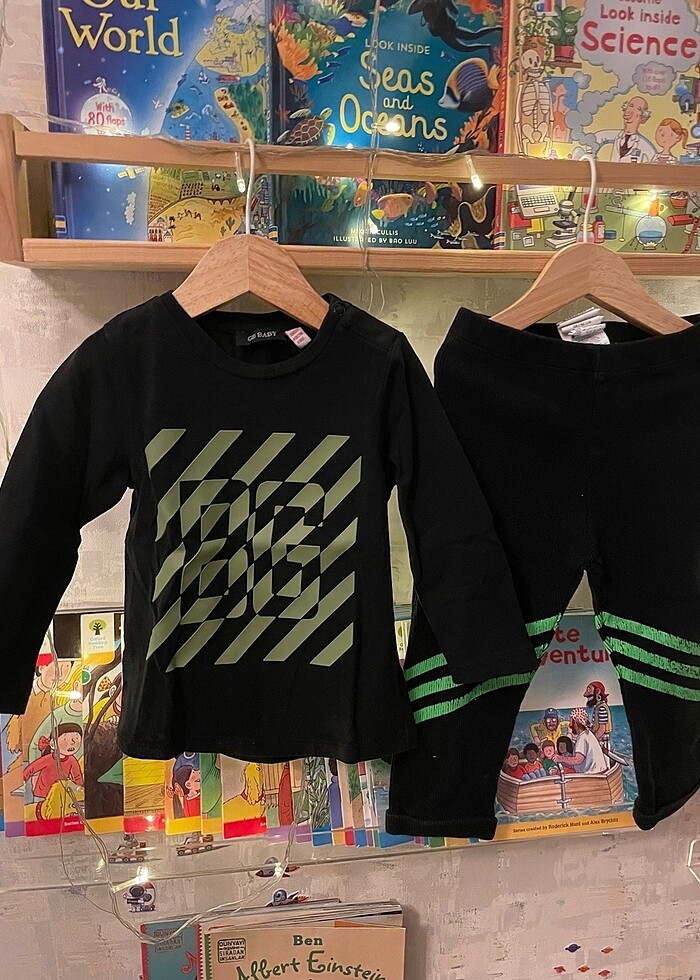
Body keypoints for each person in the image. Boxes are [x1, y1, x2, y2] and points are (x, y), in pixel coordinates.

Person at [594, 96, 655, 162]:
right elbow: (596, 138)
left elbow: (654, 159)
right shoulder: (616, 135)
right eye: (631, 106)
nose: (632, 111)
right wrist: (593, 158)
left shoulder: (643, 143)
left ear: (643, 118)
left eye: (639, 109)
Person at [557, 707, 608, 773]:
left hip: (594, 774)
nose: (569, 724)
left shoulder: (582, 738)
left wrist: (561, 758)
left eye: (571, 721)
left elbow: (578, 760)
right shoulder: (588, 734)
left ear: (576, 722)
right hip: (599, 771)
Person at [584, 680, 613, 750]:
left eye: (589, 689)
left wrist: (591, 742)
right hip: (599, 741)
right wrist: (588, 724)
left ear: (597, 692)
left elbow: (601, 729)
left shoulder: (601, 708)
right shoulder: (598, 707)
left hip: (602, 743)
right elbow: (596, 726)